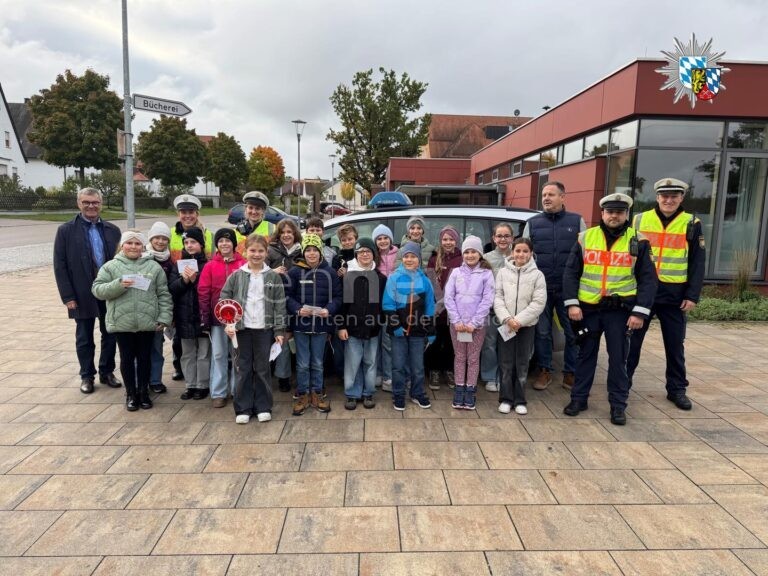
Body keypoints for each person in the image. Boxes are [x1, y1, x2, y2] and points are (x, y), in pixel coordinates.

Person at [562, 193, 657, 426]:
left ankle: (618, 405)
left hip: (620, 311)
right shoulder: (585, 238)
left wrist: (639, 312)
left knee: (618, 359)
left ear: (626, 214)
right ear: (602, 213)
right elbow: (571, 273)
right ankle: (579, 399)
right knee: (585, 356)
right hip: (588, 308)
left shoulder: (639, 241)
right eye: (610, 212)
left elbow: (648, 279)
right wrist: (572, 303)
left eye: (619, 212)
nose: (614, 216)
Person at [626, 178, 705, 411]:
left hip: (674, 294)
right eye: (664, 196)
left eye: (674, 196)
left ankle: (676, 389)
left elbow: (697, 262)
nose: (668, 200)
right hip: (643, 292)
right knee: (632, 342)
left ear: (681, 198)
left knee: (674, 344)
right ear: (657, 197)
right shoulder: (639, 219)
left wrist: (692, 295)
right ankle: (623, 384)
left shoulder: (691, 223)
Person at [92, 230, 172, 411]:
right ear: (122, 245)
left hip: (146, 322)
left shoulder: (153, 267)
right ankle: (130, 393)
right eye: (130, 243)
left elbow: (163, 294)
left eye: (137, 244)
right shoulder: (111, 266)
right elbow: (97, 289)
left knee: (145, 358)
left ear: (143, 247)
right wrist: (118, 284)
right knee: (127, 359)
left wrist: (164, 317)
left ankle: (144, 392)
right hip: (122, 322)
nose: (133, 247)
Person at [53, 187, 122, 394]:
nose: (91, 206)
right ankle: (87, 375)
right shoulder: (66, 231)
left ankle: (106, 371)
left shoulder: (112, 230)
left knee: (110, 333)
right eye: (86, 202)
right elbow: (60, 265)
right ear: (79, 204)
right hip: (81, 292)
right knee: (84, 336)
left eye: (95, 202)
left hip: (109, 291)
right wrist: (68, 297)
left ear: (101, 203)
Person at [522, 181, 586, 391]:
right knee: (542, 333)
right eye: (544, 195)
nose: (546, 198)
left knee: (572, 333)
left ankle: (571, 373)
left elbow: (585, 257)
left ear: (562, 197)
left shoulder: (576, 222)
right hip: (541, 289)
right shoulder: (532, 223)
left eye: (551, 194)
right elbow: (523, 256)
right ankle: (545, 370)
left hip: (569, 289)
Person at [220, 234, 287, 424]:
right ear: (245, 252)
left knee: (262, 369)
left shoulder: (273, 277)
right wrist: (229, 324)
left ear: (266, 253)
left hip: (264, 330)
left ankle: (263, 406)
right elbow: (225, 301)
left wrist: (279, 331)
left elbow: (280, 305)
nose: (256, 255)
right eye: (252, 251)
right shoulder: (236, 276)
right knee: (243, 368)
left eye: (260, 251)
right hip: (242, 330)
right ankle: (243, 407)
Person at [285, 234, 342, 415]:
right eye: (308, 250)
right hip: (301, 325)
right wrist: (297, 309)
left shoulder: (330, 273)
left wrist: (329, 309)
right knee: (302, 363)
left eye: (314, 250)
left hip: (321, 326)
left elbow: (338, 297)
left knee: (317, 362)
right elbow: (287, 297)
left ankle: (317, 393)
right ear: (303, 252)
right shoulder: (294, 272)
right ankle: (303, 394)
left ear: (320, 252)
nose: (311, 254)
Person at [493, 238, 547, 415]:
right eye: (517, 251)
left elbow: (538, 302)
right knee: (506, 362)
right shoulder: (502, 273)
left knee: (523, 363)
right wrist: (508, 319)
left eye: (525, 251)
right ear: (512, 252)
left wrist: (519, 320)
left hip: (526, 326)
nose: (521, 254)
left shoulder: (537, 275)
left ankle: (520, 399)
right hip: (507, 325)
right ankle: (506, 399)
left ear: (531, 253)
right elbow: (498, 298)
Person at [444, 235, 495, 410]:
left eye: (474, 251)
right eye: (467, 252)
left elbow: (487, 300)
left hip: (477, 326)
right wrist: (456, 320)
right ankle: (459, 387)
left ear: (480, 254)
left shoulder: (486, 274)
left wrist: (475, 322)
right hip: (457, 325)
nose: (470, 255)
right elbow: (448, 297)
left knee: (473, 358)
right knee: (460, 357)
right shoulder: (456, 273)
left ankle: (470, 389)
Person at [383, 241, 436, 411]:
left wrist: (431, 329)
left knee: (417, 366)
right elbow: (388, 304)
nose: (409, 259)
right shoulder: (394, 278)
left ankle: (417, 393)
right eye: (406, 256)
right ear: (402, 259)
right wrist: (396, 325)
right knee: (398, 365)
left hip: (418, 331)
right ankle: (398, 395)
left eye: (413, 256)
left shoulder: (425, 280)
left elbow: (429, 306)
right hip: (398, 330)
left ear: (419, 259)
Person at [197, 228, 245, 408]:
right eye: (221, 241)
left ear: (234, 243)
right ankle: (218, 391)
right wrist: (205, 317)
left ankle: (236, 389)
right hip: (218, 320)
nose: (224, 244)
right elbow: (203, 292)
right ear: (216, 244)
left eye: (228, 240)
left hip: (239, 319)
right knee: (218, 354)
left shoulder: (243, 263)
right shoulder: (210, 266)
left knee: (237, 355)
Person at [169, 194, 214, 382]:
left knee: (202, 349)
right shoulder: (172, 233)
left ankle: (201, 382)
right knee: (181, 342)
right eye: (183, 212)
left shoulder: (208, 233)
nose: (187, 216)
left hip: (200, 289)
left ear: (197, 213)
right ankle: (182, 371)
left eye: (191, 212)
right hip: (179, 291)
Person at [339, 237, 386, 410]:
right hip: (352, 329)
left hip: (373, 329)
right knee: (352, 362)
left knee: (371, 361)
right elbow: (343, 304)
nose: (365, 255)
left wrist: (380, 321)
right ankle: (352, 393)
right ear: (356, 255)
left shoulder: (380, 278)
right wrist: (341, 326)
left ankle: (368, 393)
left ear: (374, 254)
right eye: (361, 252)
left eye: (368, 251)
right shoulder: (349, 277)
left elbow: (383, 304)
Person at [169, 227, 211, 400]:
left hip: (201, 315)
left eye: (193, 242)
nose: (190, 245)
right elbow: (171, 288)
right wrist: (184, 281)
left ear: (201, 244)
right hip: (184, 316)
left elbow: (208, 289)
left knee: (203, 353)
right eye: (186, 243)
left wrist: (195, 280)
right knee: (187, 353)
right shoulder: (178, 265)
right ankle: (190, 384)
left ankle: (203, 384)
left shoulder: (207, 265)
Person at [266, 218, 303, 392]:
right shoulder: (270, 251)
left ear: (295, 233)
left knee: (289, 339)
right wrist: (272, 271)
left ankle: (287, 374)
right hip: (274, 301)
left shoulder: (301, 251)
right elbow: (256, 270)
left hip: (296, 300)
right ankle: (282, 376)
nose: (286, 235)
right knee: (280, 337)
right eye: (283, 232)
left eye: (289, 232)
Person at [425, 226, 463, 390]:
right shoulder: (434, 259)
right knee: (435, 340)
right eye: (445, 239)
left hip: (455, 309)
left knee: (451, 342)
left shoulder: (461, 258)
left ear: (456, 241)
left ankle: (449, 370)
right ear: (440, 241)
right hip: (437, 308)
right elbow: (431, 283)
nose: (448, 242)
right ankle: (434, 370)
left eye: (451, 239)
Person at [480, 223, 515, 393]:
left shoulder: (518, 257)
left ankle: (504, 376)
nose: (502, 239)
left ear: (512, 238)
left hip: (512, 312)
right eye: (499, 236)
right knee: (490, 344)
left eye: (506, 236)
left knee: (507, 345)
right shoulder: (486, 258)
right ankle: (489, 376)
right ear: (493, 238)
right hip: (492, 310)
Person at [145, 221, 174, 394]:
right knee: (139, 349)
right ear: (151, 238)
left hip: (159, 312)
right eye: (157, 237)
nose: (160, 241)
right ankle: (140, 380)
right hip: (142, 311)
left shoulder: (170, 262)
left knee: (157, 347)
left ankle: (155, 380)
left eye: (164, 238)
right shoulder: (141, 256)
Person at [373, 224, 399, 392]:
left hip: (393, 306)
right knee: (375, 342)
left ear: (390, 239)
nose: (383, 241)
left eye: (385, 238)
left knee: (388, 343)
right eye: (379, 238)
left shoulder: (399, 254)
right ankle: (378, 373)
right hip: (375, 306)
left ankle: (388, 377)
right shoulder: (372, 256)